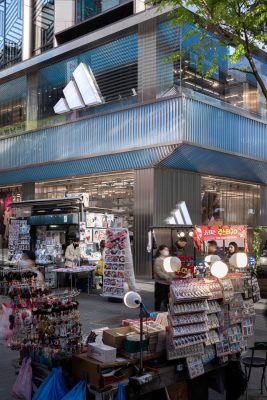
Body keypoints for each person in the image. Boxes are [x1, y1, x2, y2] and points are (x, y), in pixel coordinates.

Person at [154, 245, 175, 311]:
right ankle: (156, 312)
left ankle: (168, 312)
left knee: (168, 299)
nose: (167, 251)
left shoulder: (168, 260)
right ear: (160, 251)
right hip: (160, 283)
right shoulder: (158, 260)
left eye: (167, 250)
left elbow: (171, 270)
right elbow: (158, 272)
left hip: (168, 283)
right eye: (165, 250)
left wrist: (174, 276)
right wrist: (167, 277)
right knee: (159, 299)